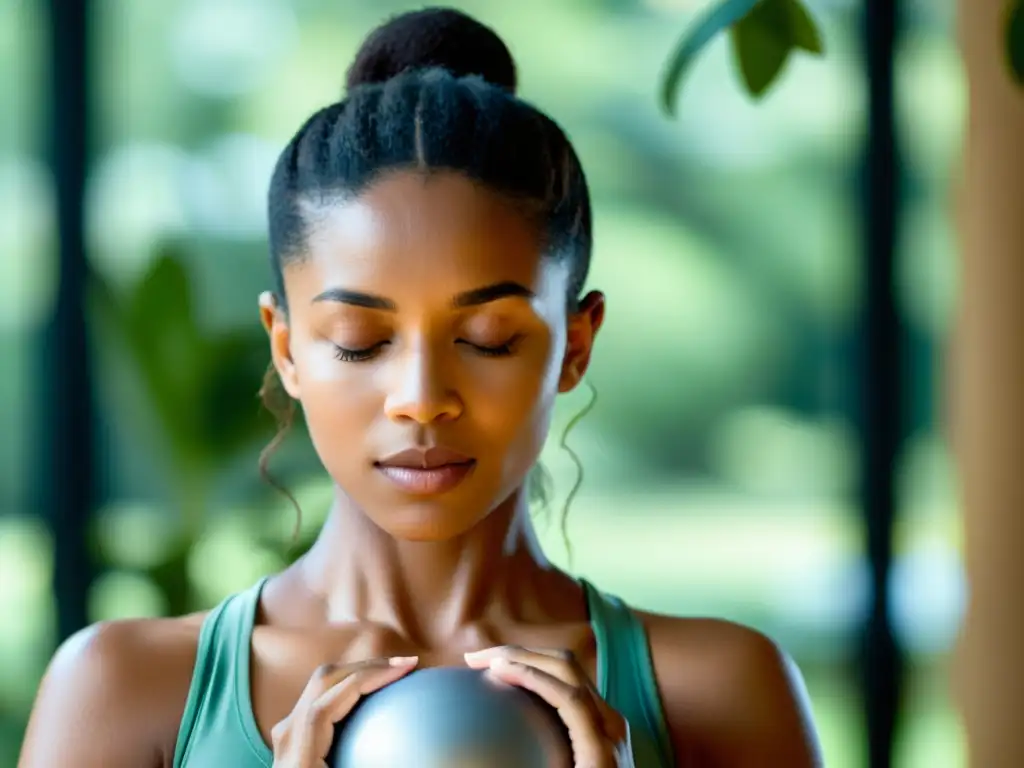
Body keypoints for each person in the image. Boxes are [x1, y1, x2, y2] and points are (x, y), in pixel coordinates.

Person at [18, 8, 823, 767]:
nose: (422, 398)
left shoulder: (720, 691)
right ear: (288, 347)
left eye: (488, 340)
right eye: (360, 343)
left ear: (575, 345)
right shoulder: (124, 691)